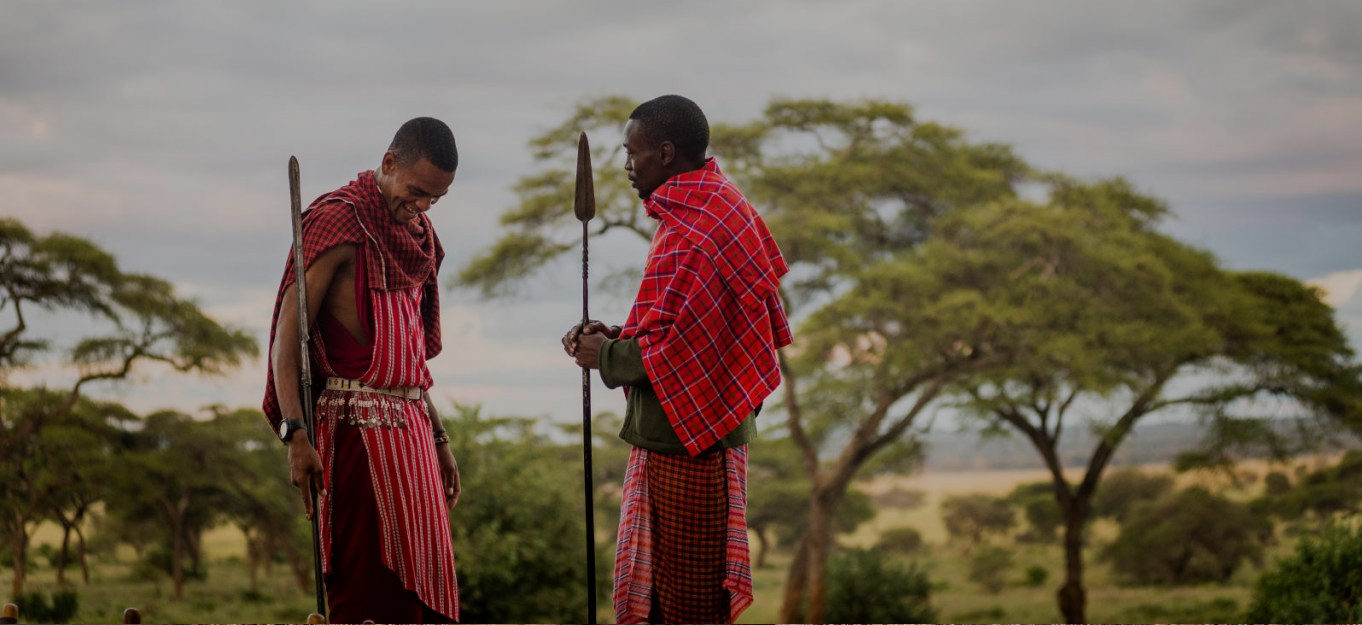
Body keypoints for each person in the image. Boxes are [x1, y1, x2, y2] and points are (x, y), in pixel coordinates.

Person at [563, 95, 793, 624]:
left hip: (692, 442)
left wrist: (609, 356)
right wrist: (615, 337)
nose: (626, 165)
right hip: (691, 430)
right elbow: (683, 327)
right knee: (667, 596)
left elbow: (691, 349)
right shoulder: (708, 208)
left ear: (665, 152)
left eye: (633, 153)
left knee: (686, 604)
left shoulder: (700, 226)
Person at [263, 117, 461, 623]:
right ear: (389, 163)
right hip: (354, 433)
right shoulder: (338, 222)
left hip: (414, 435)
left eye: (435, 199)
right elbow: (289, 338)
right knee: (367, 588)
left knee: (424, 594)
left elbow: (407, 359)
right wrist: (296, 433)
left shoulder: (417, 236)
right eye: (417, 191)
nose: (422, 207)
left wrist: (438, 437)